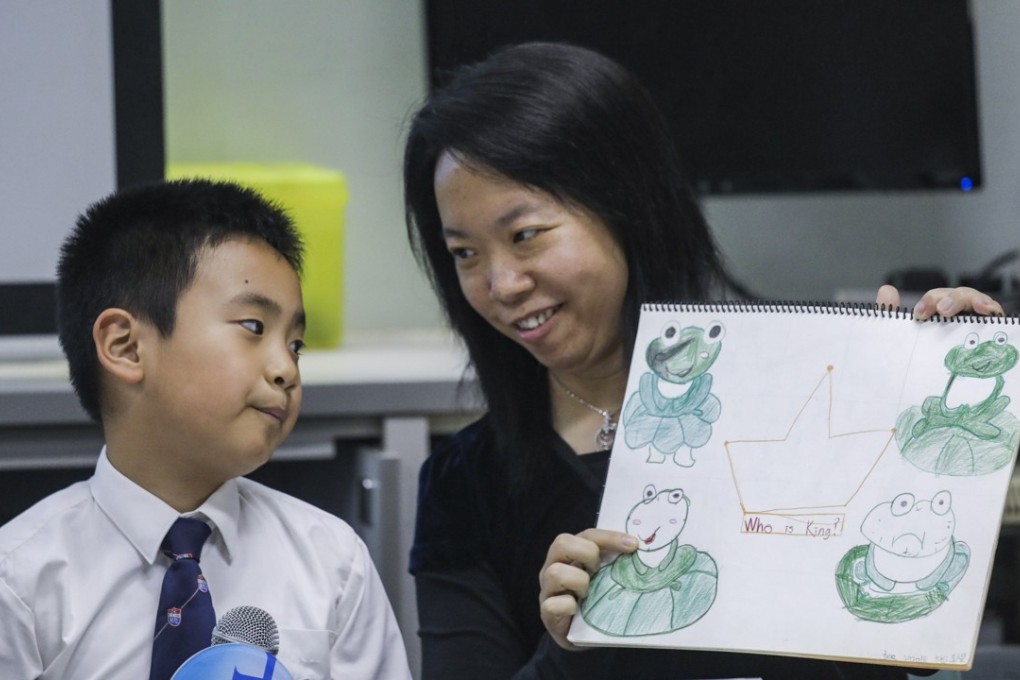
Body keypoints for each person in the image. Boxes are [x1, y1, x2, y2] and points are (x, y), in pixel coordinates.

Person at [403, 42, 1001, 679]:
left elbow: (897, 654)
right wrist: (570, 647)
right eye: (464, 253)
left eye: (525, 235)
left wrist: (934, 398)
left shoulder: (796, 406)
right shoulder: (462, 484)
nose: (501, 284)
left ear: (626, 206)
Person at [0, 179, 411, 679]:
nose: (287, 368)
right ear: (126, 347)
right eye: (254, 328)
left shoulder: (332, 562)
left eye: (296, 345)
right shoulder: (21, 582)